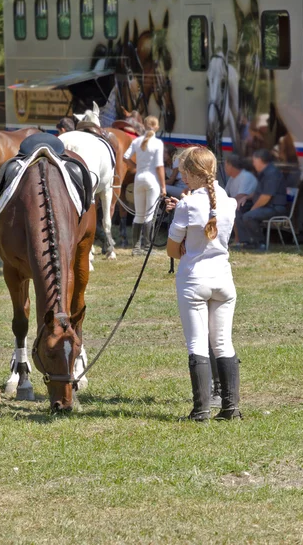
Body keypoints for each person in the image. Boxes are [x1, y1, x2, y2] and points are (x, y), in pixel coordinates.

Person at [165, 147, 242, 421]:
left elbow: (173, 250)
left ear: (191, 173)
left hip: (194, 280)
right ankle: (231, 408)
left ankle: (201, 411)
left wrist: (182, 231)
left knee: (197, 344)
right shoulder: (228, 201)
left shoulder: (186, 205)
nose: (182, 177)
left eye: (184, 172)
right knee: (223, 343)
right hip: (223, 279)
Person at [123, 115, 166, 255]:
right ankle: (147, 248)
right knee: (149, 215)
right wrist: (164, 186)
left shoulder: (137, 141)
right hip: (152, 179)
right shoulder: (158, 143)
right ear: (157, 127)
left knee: (139, 214)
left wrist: (134, 167)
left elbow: (125, 157)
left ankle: (135, 248)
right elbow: (159, 166)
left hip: (139, 178)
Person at [234, 148, 287, 250]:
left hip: (275, 207)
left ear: (260, 161)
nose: (253, 164)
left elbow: (266, 197)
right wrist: (246, 197)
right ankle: (247, 241)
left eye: (254, 161)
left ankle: (259, 243)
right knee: (239, 209)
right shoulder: (264, 172)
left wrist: (253, 209)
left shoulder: (272, 173)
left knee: (249, 216)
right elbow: (259, 192)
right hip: (266, 205)